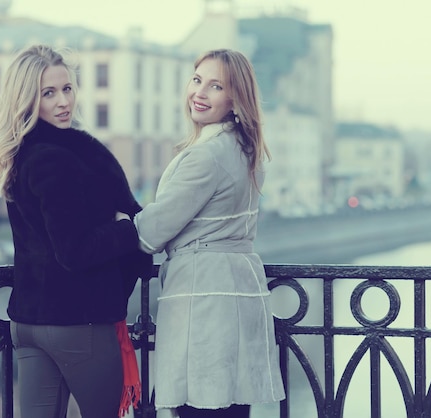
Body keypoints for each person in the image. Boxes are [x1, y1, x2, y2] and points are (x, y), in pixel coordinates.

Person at [0, 44, 150, 418]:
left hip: (27, 321)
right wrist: (129, 229)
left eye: (67, 89)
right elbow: (74, 251)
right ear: (27, 99)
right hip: (80, 322)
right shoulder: (63, 157)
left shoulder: (19, 154)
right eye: (48, 93)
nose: (63, 102)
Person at [134, 49, 285, 418]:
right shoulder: (246, 150)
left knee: (199, 405)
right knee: (231, 408)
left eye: (215, 86)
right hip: (239, 289)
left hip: (203, 298)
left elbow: (149, 236)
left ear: (235, 99)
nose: (199, 93)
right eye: (197, 80)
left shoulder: (205, 156)